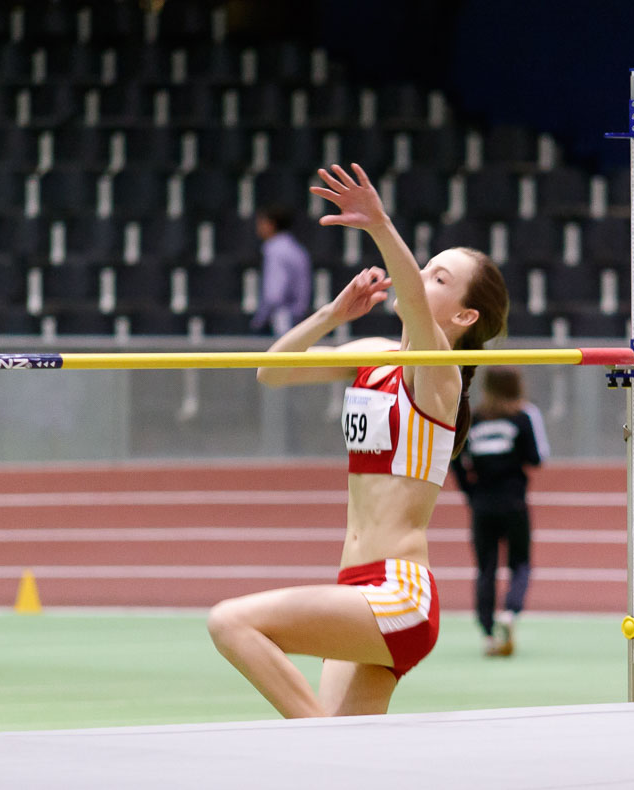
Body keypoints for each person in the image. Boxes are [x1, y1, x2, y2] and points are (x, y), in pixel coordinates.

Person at [207, 163, 509, 717]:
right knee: (347, 768)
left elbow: (415, 308)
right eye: (425, 267)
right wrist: (331, 314)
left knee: (230, 621)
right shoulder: (374, 355)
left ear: (466, 315)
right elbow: (272, 372)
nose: (420, 278)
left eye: (439, 277)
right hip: (355, 587)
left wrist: (378, 224)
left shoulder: (439, 374)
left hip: (398, 596)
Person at [453, 367, 548, 657]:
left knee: (486, 568)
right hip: (514, 501)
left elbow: (455, 458)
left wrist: (470, 493)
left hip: (482, 502)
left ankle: (487, 632)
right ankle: (510, 611)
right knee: (520, 563)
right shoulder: (524, 415)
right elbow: (537, 457)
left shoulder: (473, 416)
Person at [250, 204, 312, 336]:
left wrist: (260, 320)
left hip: (281, 321)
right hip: (297, 318)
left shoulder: (275, 250)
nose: (258, 227)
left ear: (270, 224)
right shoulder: (297, 249)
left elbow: (274, 294)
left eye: (261, 223)